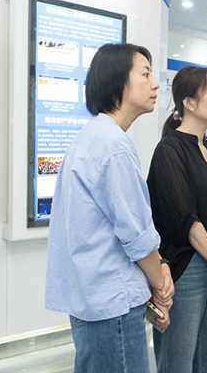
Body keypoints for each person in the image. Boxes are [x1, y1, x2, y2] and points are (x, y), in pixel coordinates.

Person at [45, 43, 174, 373]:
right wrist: (161, 283)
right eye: (145, 74)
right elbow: (137, 235)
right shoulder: (113, 145)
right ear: (119, 82)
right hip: (112, 307)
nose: (155, 84)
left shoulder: (92, 137)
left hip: (94, 302)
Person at [147, 65, 207, 373]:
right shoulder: (169, 150)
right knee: (178, 359)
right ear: (188, 102)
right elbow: (185, 220)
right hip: (187, 267)